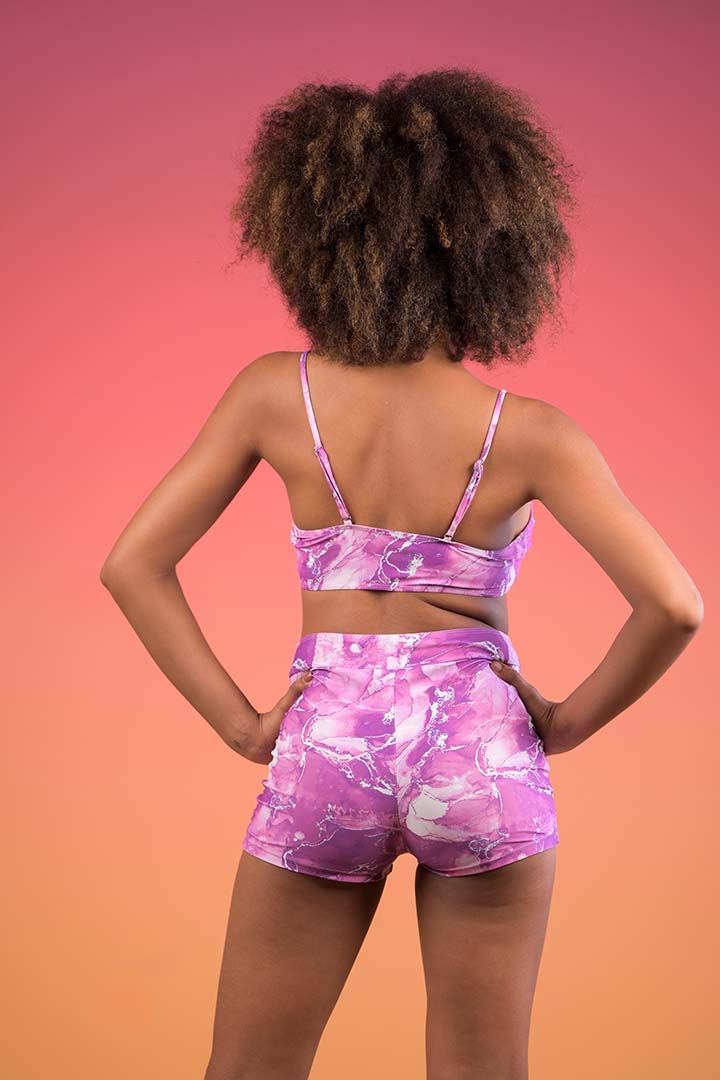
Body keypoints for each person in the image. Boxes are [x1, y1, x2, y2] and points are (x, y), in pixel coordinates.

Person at [99, 68, 703, 1080]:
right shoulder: (532, 434)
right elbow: (675, 606)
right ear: (494, 248)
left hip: (328, 736)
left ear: (318, 239)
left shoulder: (275, 395)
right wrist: (564, 723)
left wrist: (242, 725)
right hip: (481, 747)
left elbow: (133, 565)